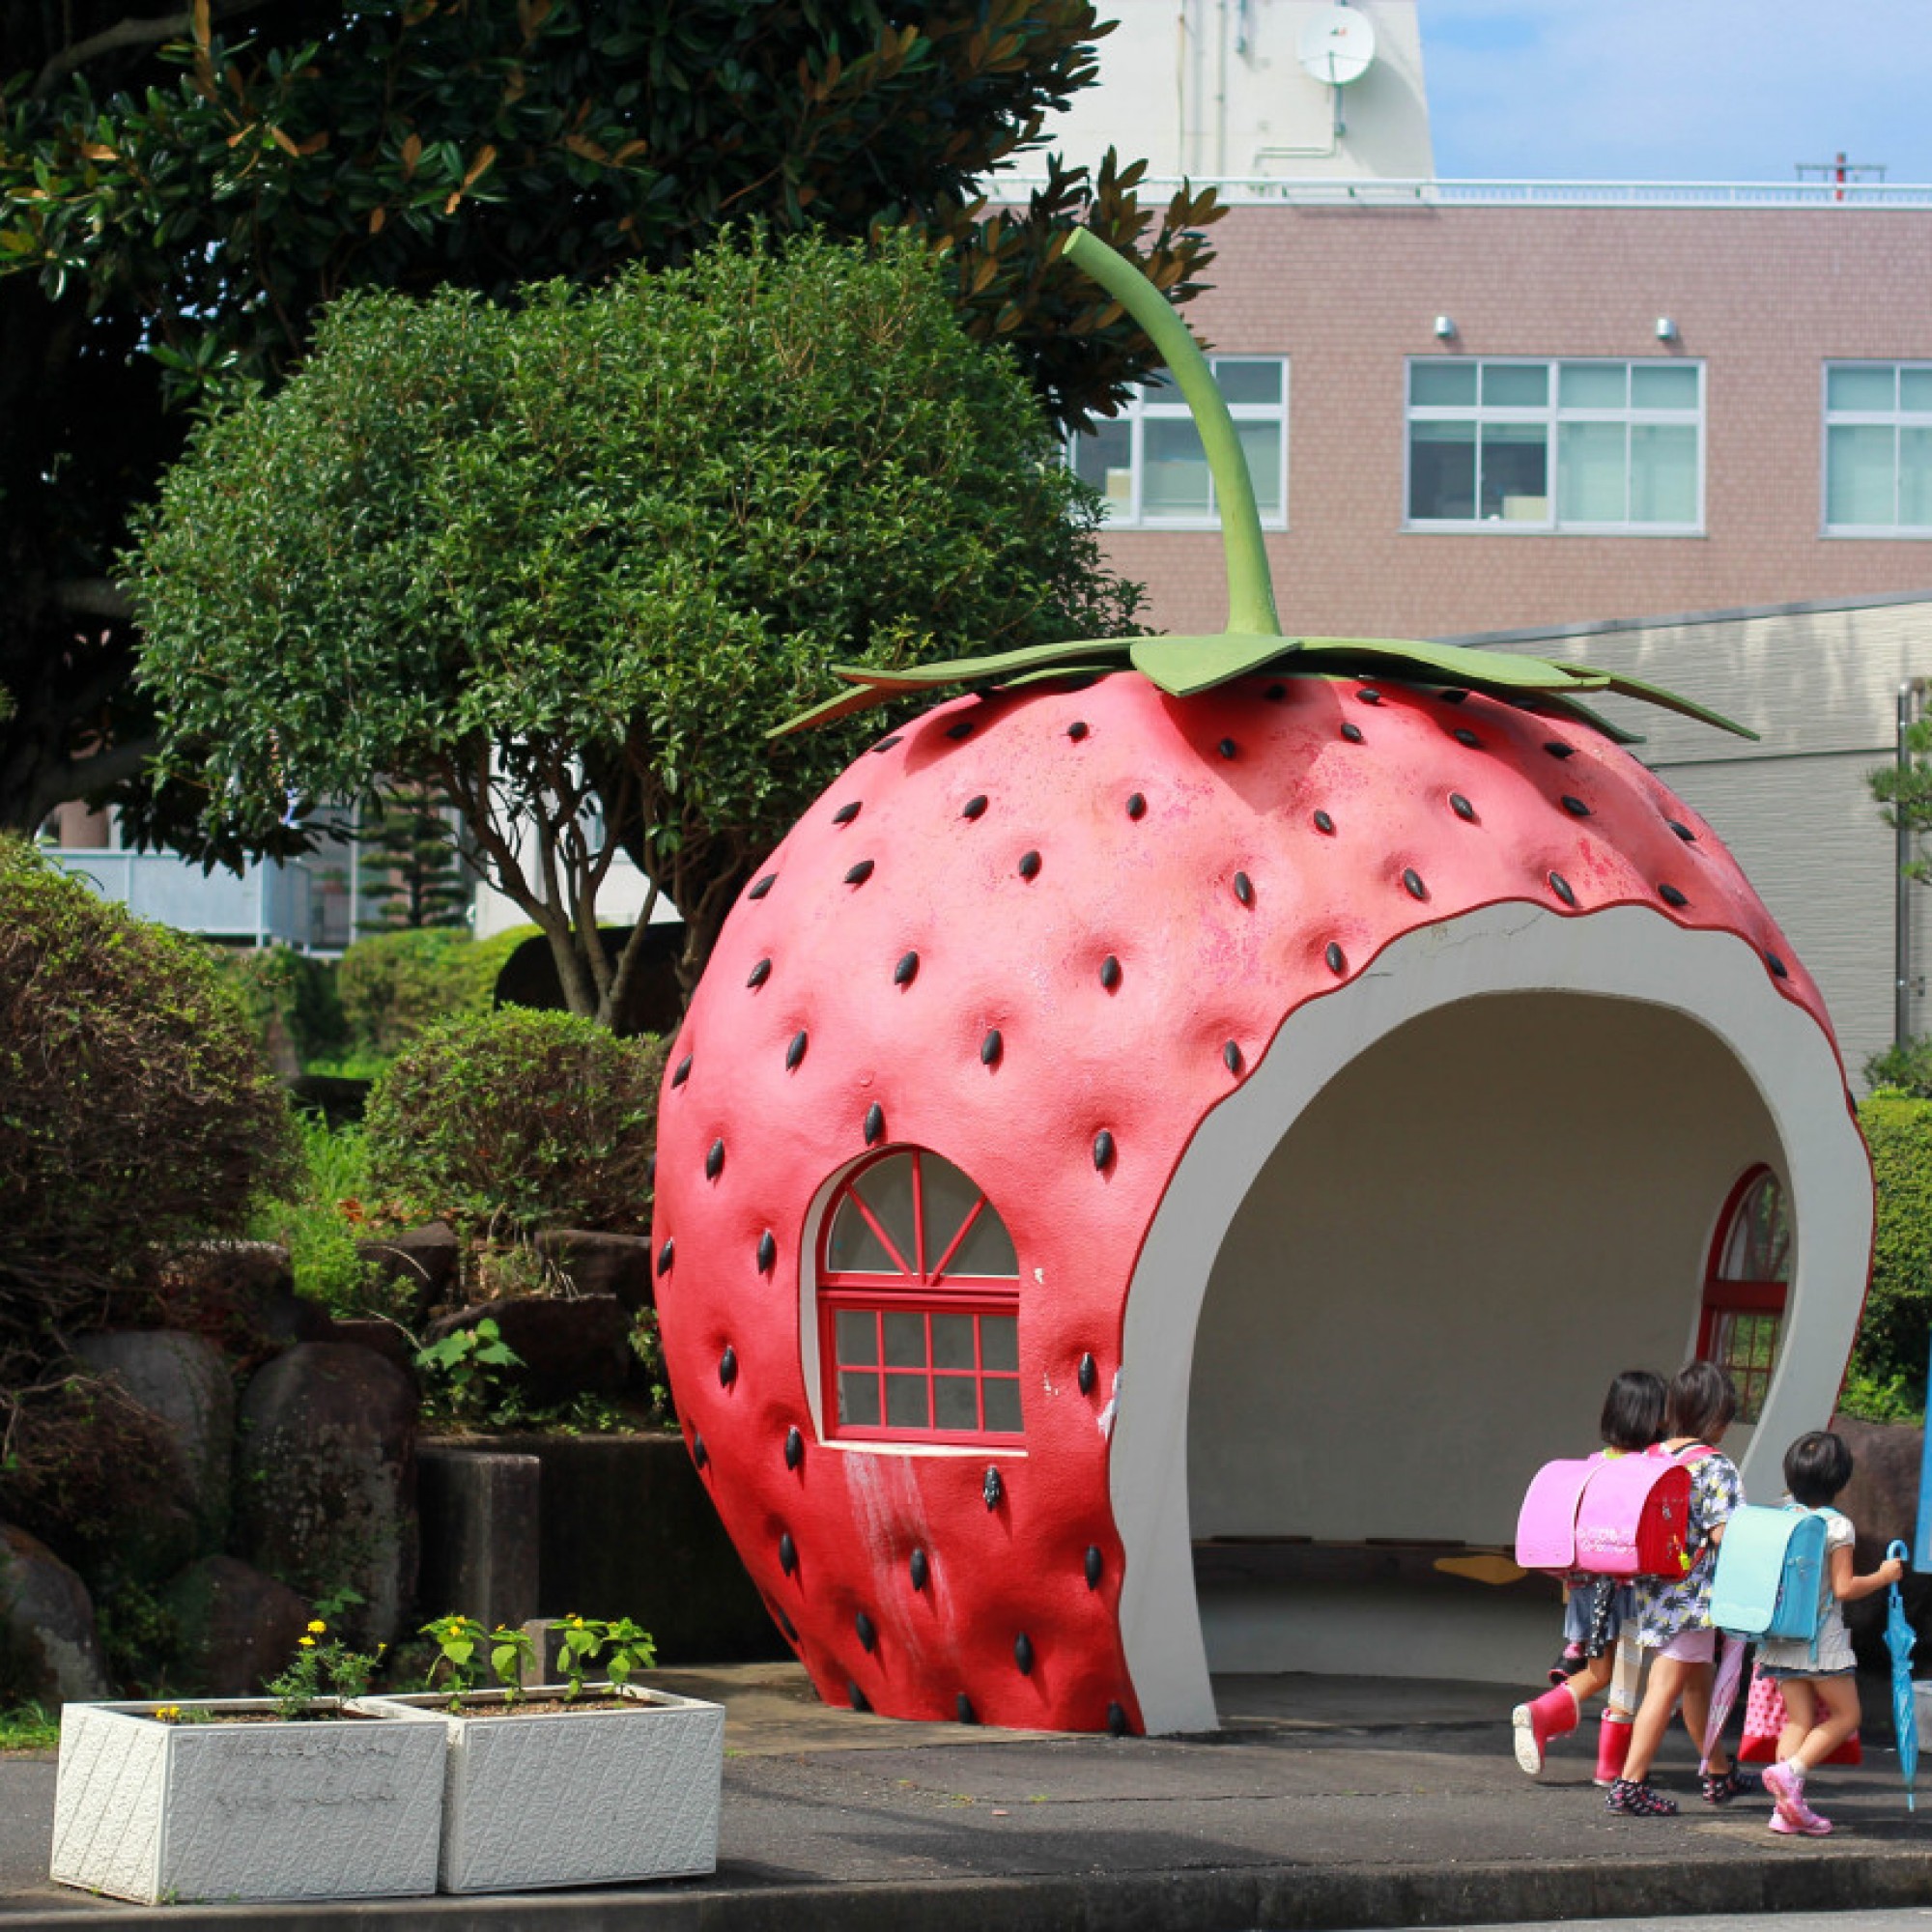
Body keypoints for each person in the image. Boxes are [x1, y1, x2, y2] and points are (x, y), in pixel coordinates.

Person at [1607, 1359, 1751, 1817]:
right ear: (1715, 1414)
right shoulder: (1716, 1466)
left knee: (1697, 1686)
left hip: (1653, 1588)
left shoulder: (1654, 1457)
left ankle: (1718, 1771)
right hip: (1695, 1598)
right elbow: (1724, 1535)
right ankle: (1629, 1785)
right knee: (1664, 1688)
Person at [1511, 1369, 1666, 1781]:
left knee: (1600, 1672)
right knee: (1627, 1682)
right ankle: (1608, 1768)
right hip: (1633, 1592)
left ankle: (1542, 1713)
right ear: (1656, 1418)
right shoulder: (1652, 1471)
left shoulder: (1593, 1467)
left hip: (1588, 1590)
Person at [1757, 1431, 1906, 1837]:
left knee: (1799, 1720)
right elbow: (1844, 1589)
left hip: (1779, 1636)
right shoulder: (1836, 1526)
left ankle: (1785, 1809)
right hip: (1822, 1639)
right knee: (1846, 1715)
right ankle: (1793, 1773)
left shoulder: (1781, 1515)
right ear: (1840, 1479)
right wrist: (1881, 1576)